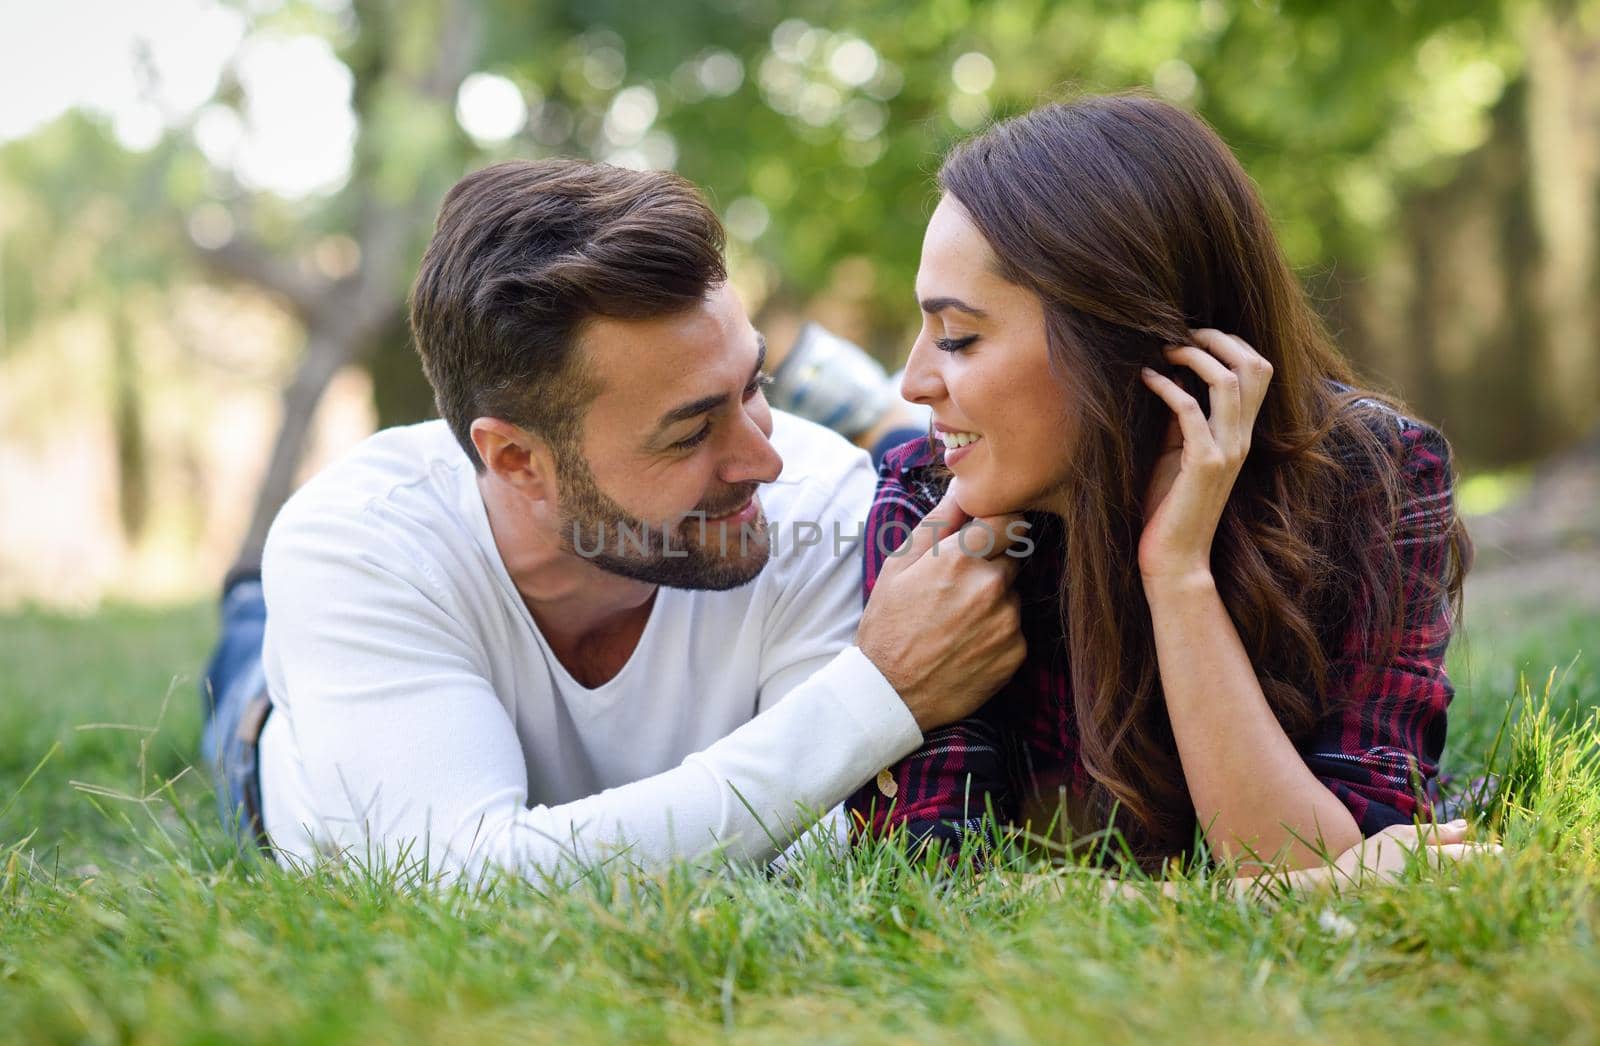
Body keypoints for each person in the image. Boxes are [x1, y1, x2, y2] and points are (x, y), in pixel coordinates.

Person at [199, 159, 1028, 884]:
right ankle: (250, 609)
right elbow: (460, 881)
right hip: (281, 724)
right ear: (520, 460)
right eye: (692, 430)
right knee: (251, 649)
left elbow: (815, 853)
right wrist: (877, 695)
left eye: (753, 386)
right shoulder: (358, 543)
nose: (764, 461)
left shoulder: (815, 497)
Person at [846, 94, 1481, 876]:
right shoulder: (929, 509)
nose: (911, 384)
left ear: (1119, 343)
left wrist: (1177, 574)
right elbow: (935, 881)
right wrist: (1293, 893)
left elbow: (1333, 843)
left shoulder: (1373, 479)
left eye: (958, 338)